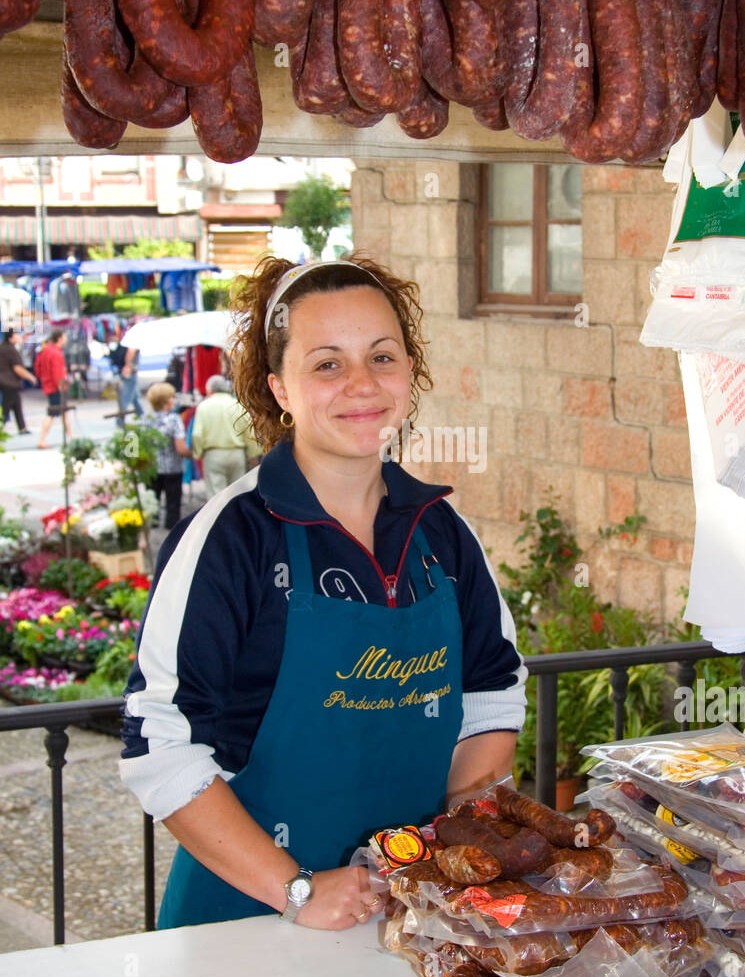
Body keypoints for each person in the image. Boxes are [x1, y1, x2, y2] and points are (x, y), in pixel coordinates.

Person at [120, 254, 526, 931]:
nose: (362, 385)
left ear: (411, 371)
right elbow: (159, 745)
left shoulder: (443, 535)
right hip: (248, 922)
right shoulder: (230, 539)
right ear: (280, 387)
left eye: (383, 357)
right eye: (327, 363)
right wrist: (297, 889)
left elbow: (490, 695)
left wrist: (455, 851)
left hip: (413, 915)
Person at [190, 374, 260, 499]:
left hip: (213, 455)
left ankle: (220, 519)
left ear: (210, 390)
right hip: (237, 454)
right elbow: (250, 432)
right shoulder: (238, 405)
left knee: (215, 498)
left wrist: (198, 453)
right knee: (237, 495)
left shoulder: (204, 406)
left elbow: (197, 435)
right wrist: (253, 453)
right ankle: (236, 518)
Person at [143, 383, 193, 532]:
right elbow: (180, 448)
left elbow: (131, 447)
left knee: (151, 501)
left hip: (150, 468)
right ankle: (171, 529)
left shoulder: (144, 419)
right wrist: (192, 455)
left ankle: (152, 523)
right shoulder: (174, 420)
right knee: (173, 503)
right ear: (165, 401)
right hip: (172, 468)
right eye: (171, 397)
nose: (174, 400)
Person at [34, 330, 72, 448]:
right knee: (52, 413)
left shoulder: (46, 351)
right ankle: (42, 440)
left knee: (63, 411)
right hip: (55, 386)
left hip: (49, 384)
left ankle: (71, 436)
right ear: (60, 338)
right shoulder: (55, 353)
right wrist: (61, 385)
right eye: (65, 337)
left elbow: (38, 368)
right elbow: (57, 373)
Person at [0, 330, 37, 433]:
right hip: (8, 382)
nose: (18, 337)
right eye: (16, 335)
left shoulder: (4, 347)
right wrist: (31, 377)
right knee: (6, 407)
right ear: (11, 337)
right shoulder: (9, 349)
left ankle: (22, 427)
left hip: (7, 381)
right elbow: (17, 368)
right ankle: (1, 426)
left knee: (16, 403)